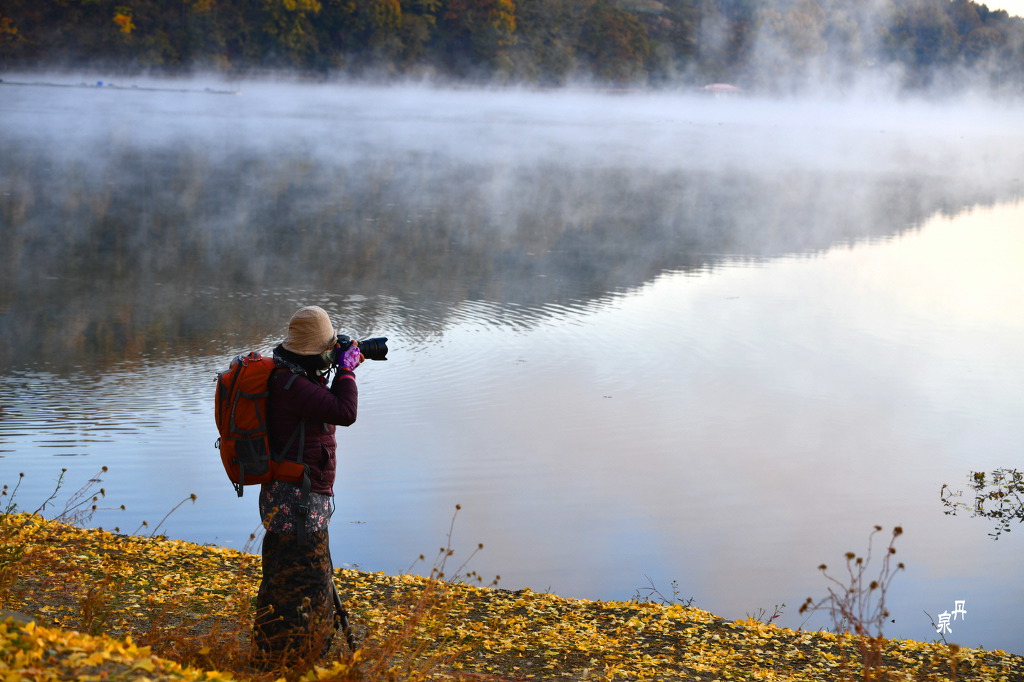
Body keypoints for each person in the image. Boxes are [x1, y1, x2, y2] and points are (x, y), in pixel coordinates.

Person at [252, 305, 362, 666]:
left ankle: (270, 657)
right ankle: (300, 660)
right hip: (298, 503)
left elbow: (324, 406)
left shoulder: (288, 374)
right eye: (328, 348)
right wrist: (346, 369)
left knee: (282, 578)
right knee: (309, 582)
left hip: (286, 497)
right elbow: (344, 412)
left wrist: (335, 366)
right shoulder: (293, 385)